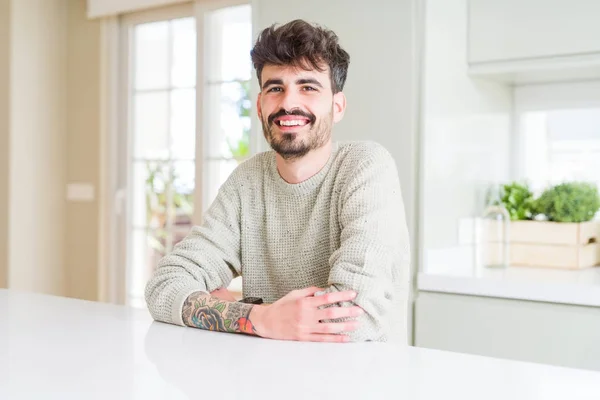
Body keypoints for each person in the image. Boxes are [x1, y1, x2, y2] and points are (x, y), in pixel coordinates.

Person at [145, 19, 411, 343]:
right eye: (275, 88)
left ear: (337, 106)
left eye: (308, 87)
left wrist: (237, 310)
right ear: (259, 106)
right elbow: (164, 287)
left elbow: (357, 315)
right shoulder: (247, 181)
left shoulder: (366, 167)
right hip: (267, 380)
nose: (288, 103)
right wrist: (259, 317)